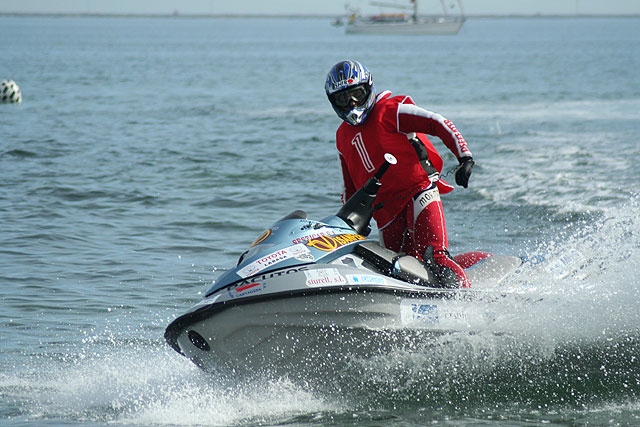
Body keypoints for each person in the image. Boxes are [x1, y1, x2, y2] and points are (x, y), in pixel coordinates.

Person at [325, 60, 474, 288]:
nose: (352, 103)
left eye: (356, 94)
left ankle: (469, 301)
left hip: (418, 192)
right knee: (396, 270)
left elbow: (438, 122)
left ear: (368, 88)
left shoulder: (391, 109)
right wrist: (348, 223)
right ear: (333, 102)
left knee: (435, 256)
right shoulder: (341, 136)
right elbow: (349, 188)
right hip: (385, 212)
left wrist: (464, 157)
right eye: (343, 99)